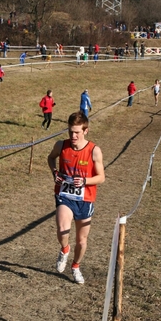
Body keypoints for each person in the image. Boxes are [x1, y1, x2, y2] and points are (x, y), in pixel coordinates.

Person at [47, 110, 105, 284]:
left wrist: (85, 181)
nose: (73, 135)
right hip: (64, 195)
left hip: (85, 199)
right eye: (71, 131)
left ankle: (76, 266)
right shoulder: (61, 145)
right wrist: (54, 172)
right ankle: (64, 249)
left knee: (82, 240)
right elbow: (51, 158)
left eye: (77, 132)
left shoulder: (94, 150)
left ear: (85, 131)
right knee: (62, 228)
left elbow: (101, 177)